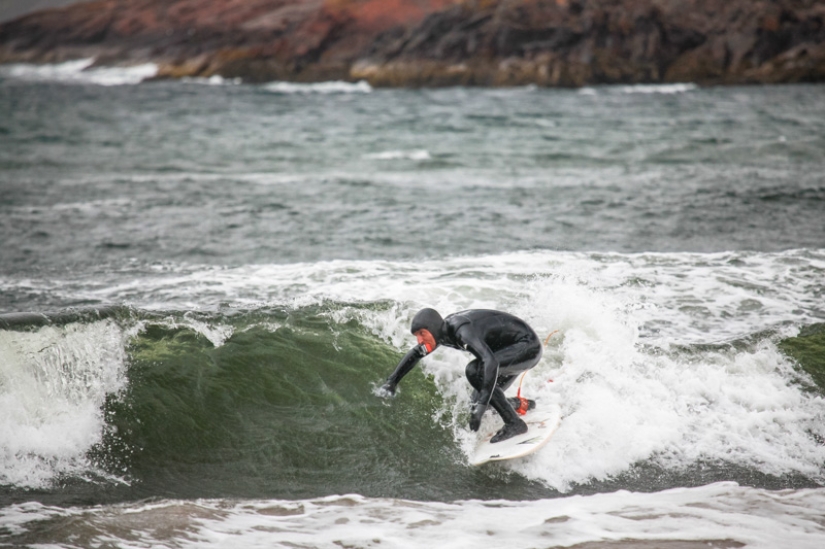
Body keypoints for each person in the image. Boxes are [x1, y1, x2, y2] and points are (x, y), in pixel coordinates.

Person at [380, 308, 543, 443]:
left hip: (527, 347)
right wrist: (391, 382)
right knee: (475, 403)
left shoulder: (461, 331)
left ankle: (514, 423)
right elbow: (416, 354)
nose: (420, 341)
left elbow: (490, 362)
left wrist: (481, 405)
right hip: (505, 353)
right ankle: (519, 404)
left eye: (422, 333)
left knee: (474, 371)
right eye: (417, 336)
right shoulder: (440, 334)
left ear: (433, 328)